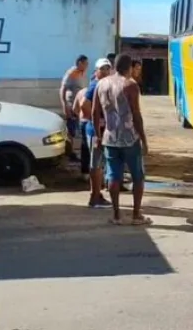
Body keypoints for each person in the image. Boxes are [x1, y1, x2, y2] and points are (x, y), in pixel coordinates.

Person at [91, 54, 151, 225]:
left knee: (113, 176)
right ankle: (136, 215)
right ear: (129, 67)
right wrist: (144, 139)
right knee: (137, 176)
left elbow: (95, 112)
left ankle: (117, 215)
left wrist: (97, 135)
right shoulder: (130, 85)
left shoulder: (101, 84)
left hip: (109, 138)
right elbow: (136, 115)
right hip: (130, 138)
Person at [73, 58, 113, 208]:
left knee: (98, 164)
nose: (105, 71)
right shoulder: (95, 85)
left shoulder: (102, 84)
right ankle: (95, 197)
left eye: (108, 68)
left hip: (99, 130)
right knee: (96, 164)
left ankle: (97, 195)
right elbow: (84, 104)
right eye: (102, 69)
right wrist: (96, 121)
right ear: (96, 71)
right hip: (96, 131)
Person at [60, 55, 89, 160]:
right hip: (71, 105)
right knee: (71, 130)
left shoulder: (82, 73)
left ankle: (74, 151)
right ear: (79, 63)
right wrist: (64, 105)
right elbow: (62, 89)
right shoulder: (71, 73)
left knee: (78, 129)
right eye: (85, 63)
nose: (87, 66)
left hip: (80, 105)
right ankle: (70, 152)